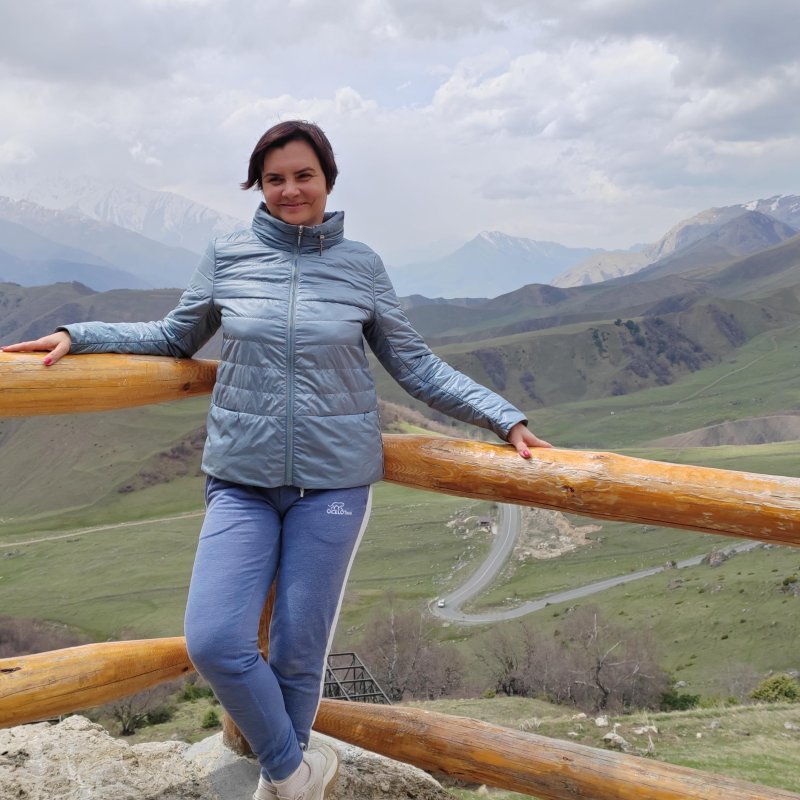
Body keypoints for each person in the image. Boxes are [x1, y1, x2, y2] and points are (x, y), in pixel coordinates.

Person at [1, 120, 551, 800]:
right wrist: (78, 334)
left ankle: (280, 782)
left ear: (328, 180)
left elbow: (415, 365)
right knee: (213, 640)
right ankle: (295, 770)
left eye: (303, 176)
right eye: (274, 179)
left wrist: (503, 416)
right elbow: (174, 335)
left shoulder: (361, 265)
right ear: (258, 186)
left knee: (298, 651)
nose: (290, 190)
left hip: (333, 486)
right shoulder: (228, 254)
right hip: (241, 479)